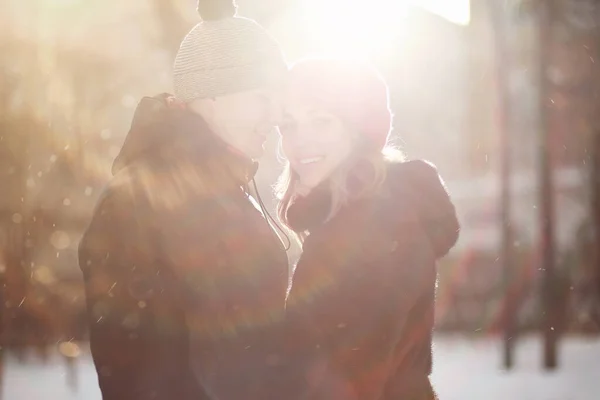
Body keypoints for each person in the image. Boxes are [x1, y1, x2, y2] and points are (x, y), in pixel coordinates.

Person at [78, 2, 289, 399]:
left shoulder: (227, 191)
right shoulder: (141, 201)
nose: (275, 116)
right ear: (211, 94)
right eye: (263, 97)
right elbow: (137, 372)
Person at [275, 58, 460, 400]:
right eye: (288, 125)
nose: (300, 141)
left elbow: (349, 379)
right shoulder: (354, 219)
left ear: (357, 131)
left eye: (321, 122)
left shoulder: (377, 225)